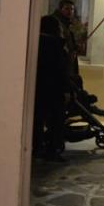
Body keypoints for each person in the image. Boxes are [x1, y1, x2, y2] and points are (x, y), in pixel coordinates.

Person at [33, 15, 70, 162]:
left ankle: (37, 146)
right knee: (56, 120)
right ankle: (52, 148)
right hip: (54, 89)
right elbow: (60, 70)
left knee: (38, 119)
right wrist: (66, 90)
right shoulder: (55, 44)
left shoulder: (36, 42)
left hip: (40, 88)